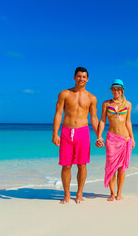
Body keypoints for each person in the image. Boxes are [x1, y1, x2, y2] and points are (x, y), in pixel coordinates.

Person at [52, 67, 99, 204]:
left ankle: (79, 193)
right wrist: (55, 133)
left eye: (84, 77)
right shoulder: (64, 94)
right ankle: (66, 194)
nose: (81, 79)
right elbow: (59, 114)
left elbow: (94, 118)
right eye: (79, 76)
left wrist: (99, 136)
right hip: (66, 132)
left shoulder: (92, 98)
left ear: (87, 79)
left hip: (83, 132)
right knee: (66, 165)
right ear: (74, 77)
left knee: (82, 165)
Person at [95, 79, 135, 201]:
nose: (116, 91)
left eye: (118, 89)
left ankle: (119, 193)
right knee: (111, 167)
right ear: (111, 90)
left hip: (124, 139)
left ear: (122, 90)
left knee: (121, 168)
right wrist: (99, 136)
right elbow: (102, 120)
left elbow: (128, 121)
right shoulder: (106, 104)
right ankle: (112, 193)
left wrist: (132, 138)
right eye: (114, 89)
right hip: (111, 139)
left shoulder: (128, 104)